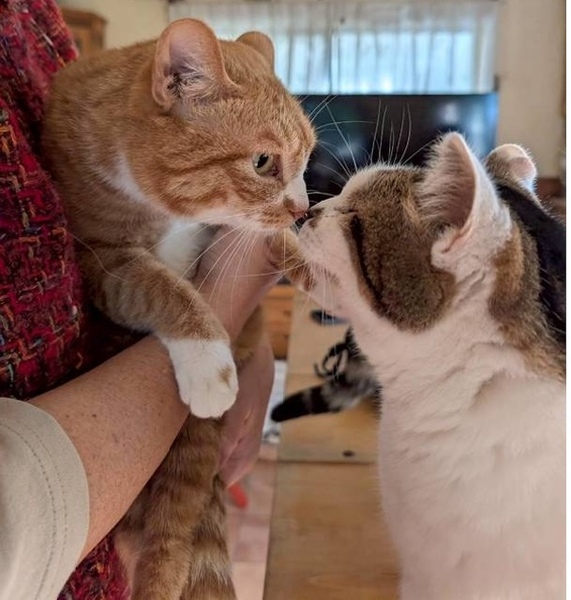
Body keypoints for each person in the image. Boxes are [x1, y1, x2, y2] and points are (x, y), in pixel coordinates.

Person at [0, 1, 282, 598]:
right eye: (269, 163)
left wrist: (248, 343)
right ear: (176, 81)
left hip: (146, 403)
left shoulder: (35, 19)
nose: (299, 203)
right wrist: (221, 315)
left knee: (188, 525)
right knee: (174, 544)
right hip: (79, 529)